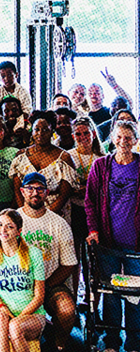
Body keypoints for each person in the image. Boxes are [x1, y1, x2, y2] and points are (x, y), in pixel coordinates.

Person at [85, 119, 140, 352]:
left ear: (136, 141)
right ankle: (111, 342)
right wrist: (93, 230)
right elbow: (90, 202)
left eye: (128, 138)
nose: (123, 142)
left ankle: (135, 342)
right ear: (112, 139)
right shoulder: (101, 166)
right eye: (119, 137)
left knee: (135, 295)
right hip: (107, 242)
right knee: (111, 294)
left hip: (136, 245)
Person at [16, 172, 77, 352]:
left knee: (67, 309)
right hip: (19, 283)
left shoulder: (59, 223)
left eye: (40, 189)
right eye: (30, 188)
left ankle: (59, 344)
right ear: (22, 191)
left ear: (47, 193)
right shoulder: (12, 220)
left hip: (51, 283)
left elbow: (69, 264)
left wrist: (44, 288)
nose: (35, 193)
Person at [0, 209, 46, 352]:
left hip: (32, 315)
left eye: (9, 226)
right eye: (0, 225)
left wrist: (18, 318)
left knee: (15, 327)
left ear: (19, 231)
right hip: (0, 311)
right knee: (1, 321)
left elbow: (39, 297)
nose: (3, 230)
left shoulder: (34, 253)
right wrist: (4, 310)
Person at [9, 111, 76, 219]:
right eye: (37, 129)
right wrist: (26, 215)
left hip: (56, 214)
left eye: (45, 130)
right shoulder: (21, 156)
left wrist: (45, 217)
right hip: (27, 215)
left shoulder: (64, 158)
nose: (40, 133)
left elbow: (64, 194)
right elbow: (17, 190)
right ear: (32, 131)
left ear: (52, 131)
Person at [68, 115, 102, 296]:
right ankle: (74, 295)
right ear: (73, 136)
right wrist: (77, 190)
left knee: (94, 258)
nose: (82, 137)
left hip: (94, 212)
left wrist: (88, 190)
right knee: (74, 257)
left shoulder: (101, 158)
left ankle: (93, 298)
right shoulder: (68, 156)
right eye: (78, 134)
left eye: (86, 133)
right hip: (74, 209)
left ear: (93, 134)